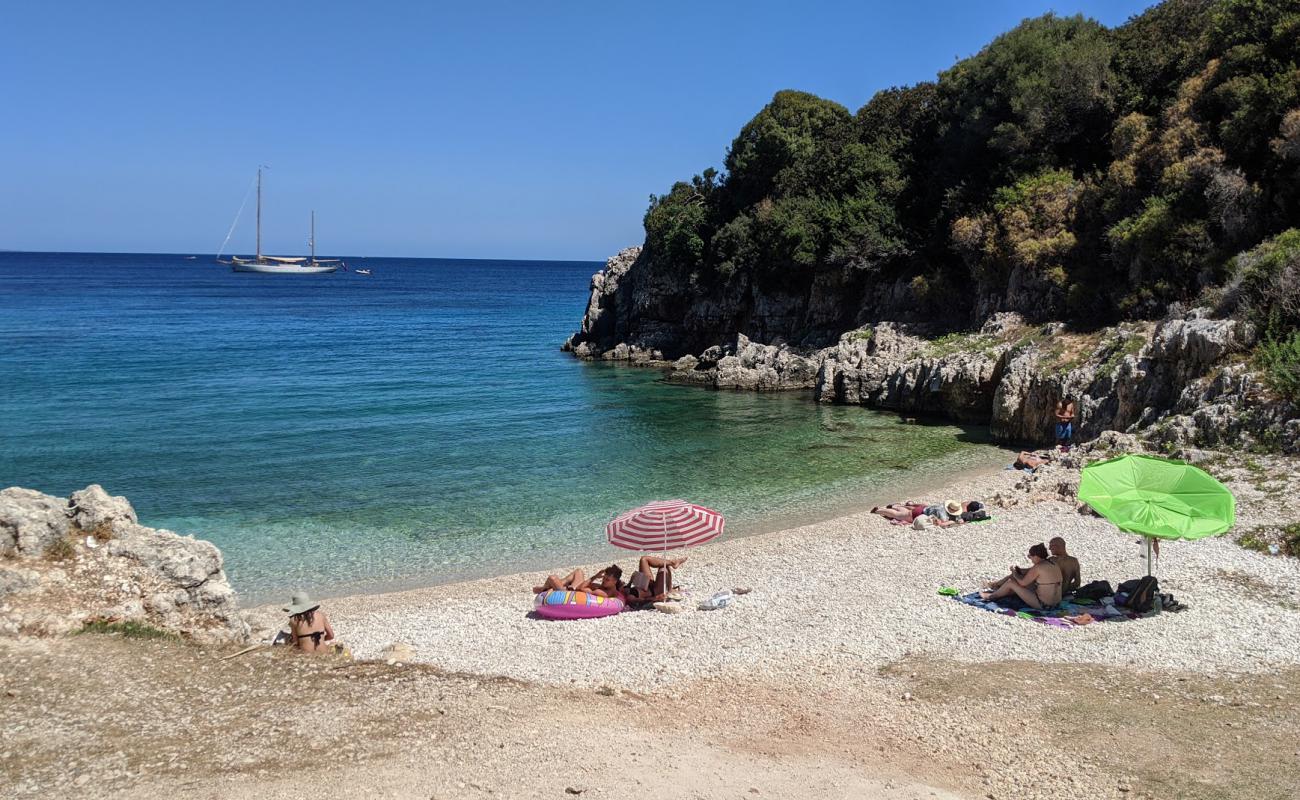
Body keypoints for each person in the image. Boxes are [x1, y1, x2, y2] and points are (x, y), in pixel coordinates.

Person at [980, 543, 1063, 609]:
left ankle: (990, 596)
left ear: (1036, 556)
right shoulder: (1052, 563)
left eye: (1030, 556)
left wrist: (1014, 573)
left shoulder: (1038, 567)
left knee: (1011, 583)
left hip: (1044, 605)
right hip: (1057, 604)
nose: (1030, 559)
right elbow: (1031, 572)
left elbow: (1022, 583)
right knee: (1020, 582)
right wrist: (1019, 571)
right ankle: (996, 587)